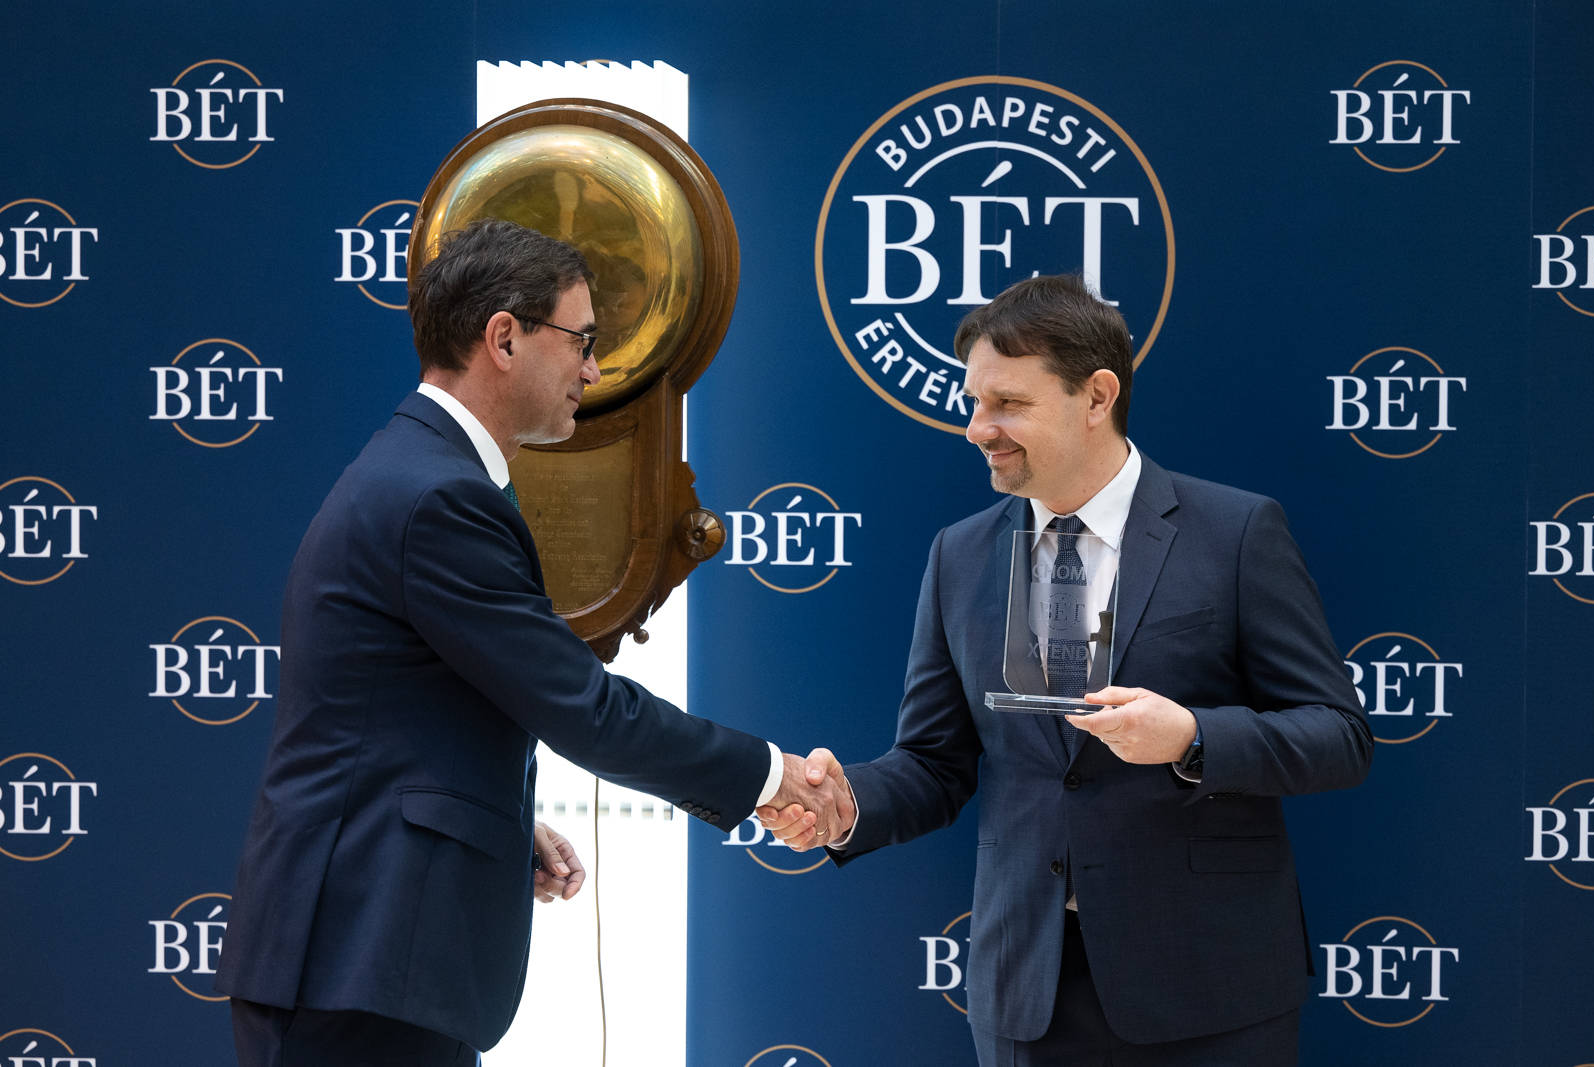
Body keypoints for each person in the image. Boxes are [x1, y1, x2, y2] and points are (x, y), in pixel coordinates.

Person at [217, 219, 848, 1066]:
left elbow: (405, 717)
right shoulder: (440, 498)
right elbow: (586, 710)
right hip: (358, 963)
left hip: (371, 956)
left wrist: (501, 829)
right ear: (505, 337)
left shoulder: (418, 471)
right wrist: (771, 776)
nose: (594, 370)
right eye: (582, 341)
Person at [760, 273, 1371, 1066]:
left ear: (1097, 397)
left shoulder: (1237, 533)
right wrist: (845, 804)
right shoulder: (960, 555)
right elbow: (935, 764)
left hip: (1210, 988)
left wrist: (1190, 736)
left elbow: (1338, 736)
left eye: (1007, 403)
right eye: (974, 402)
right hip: (1029, 991)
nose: (977, 428)